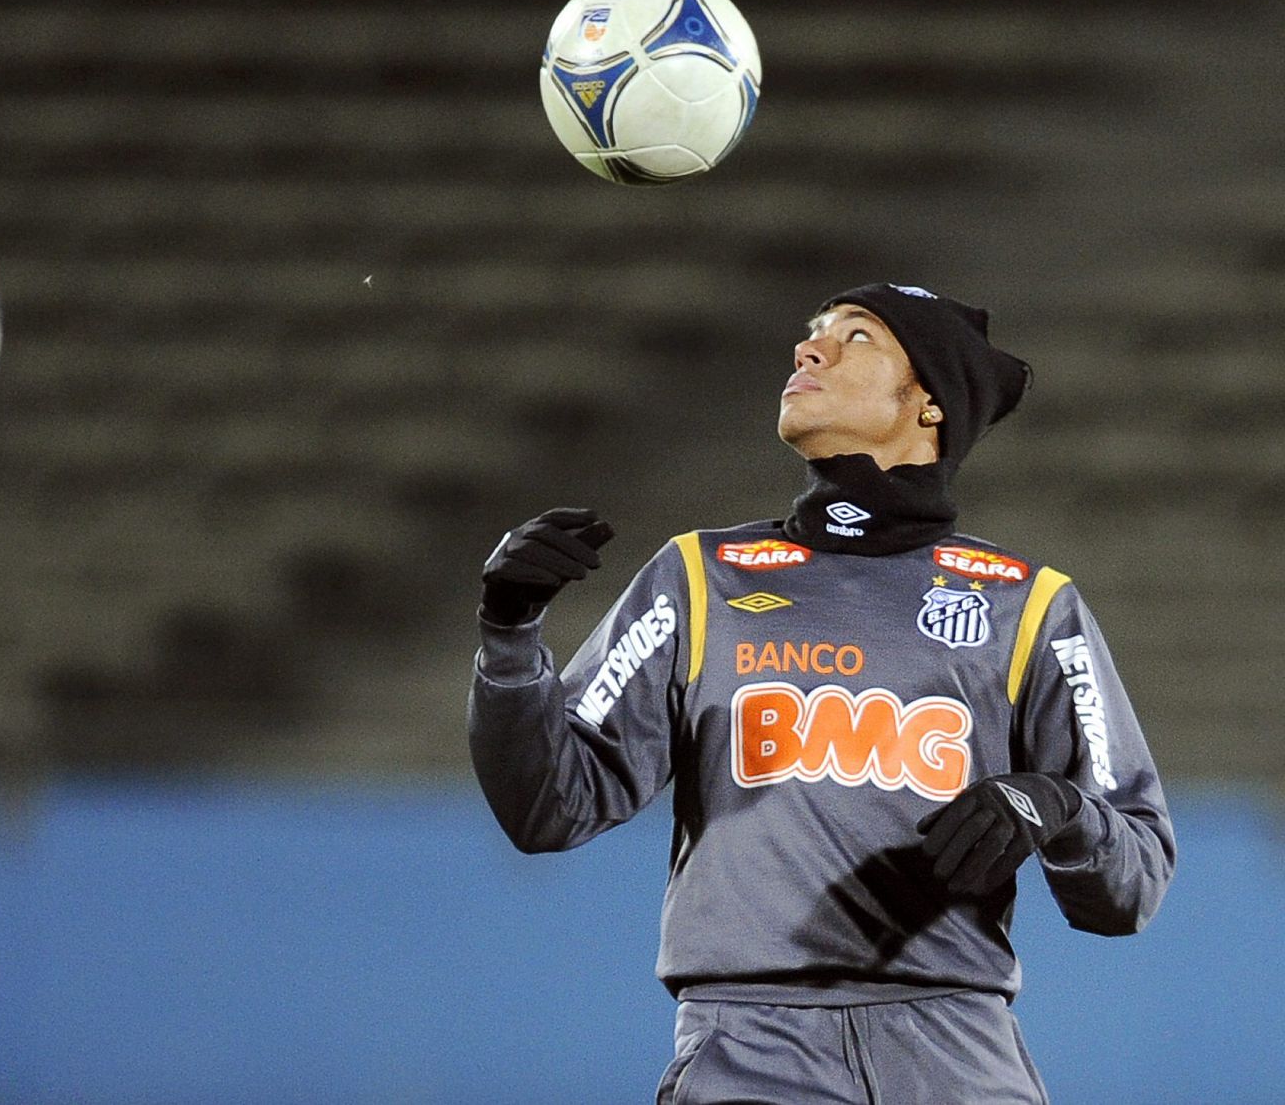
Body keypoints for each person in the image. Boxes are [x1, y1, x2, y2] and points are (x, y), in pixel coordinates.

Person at [466, 282, 1175, 1105]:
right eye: (813, 335)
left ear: (932, 405)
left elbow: (1134, 881)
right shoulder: (699, 578)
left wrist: (1054, 804)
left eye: (858, 338)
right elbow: (546, 807)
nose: (809, 351)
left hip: (957, 1053)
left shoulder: (1030, 605)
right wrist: (511, 638)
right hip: (750, 1052)